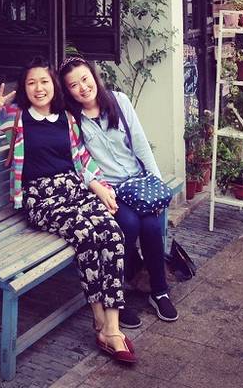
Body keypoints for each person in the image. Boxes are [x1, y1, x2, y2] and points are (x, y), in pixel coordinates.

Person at [0, 57, 136, 363]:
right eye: (31, 83)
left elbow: (82, 160)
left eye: (44, 81)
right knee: (86, 234)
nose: (39, 88)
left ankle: (112, 327)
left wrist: (99, 186)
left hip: (73, 190)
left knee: (112, 233)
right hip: (40, 199)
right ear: (24, 88)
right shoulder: (16, 116)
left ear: (54, 85)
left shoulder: (66, 119)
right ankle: (100, 320)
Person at [60, 56, 179, 325]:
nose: (83, 88)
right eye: (74, 85)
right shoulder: (72, 119)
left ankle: (159, 291)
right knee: (128, 224)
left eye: (85, 79)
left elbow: (140, 144)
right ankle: (117, 297)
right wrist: (98, 188)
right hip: (108, 189)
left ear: (94, 77)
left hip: (137, 182)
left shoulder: (119, 102)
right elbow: (77, 162)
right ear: (67, 91)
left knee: (151, 226)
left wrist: (156, 185)